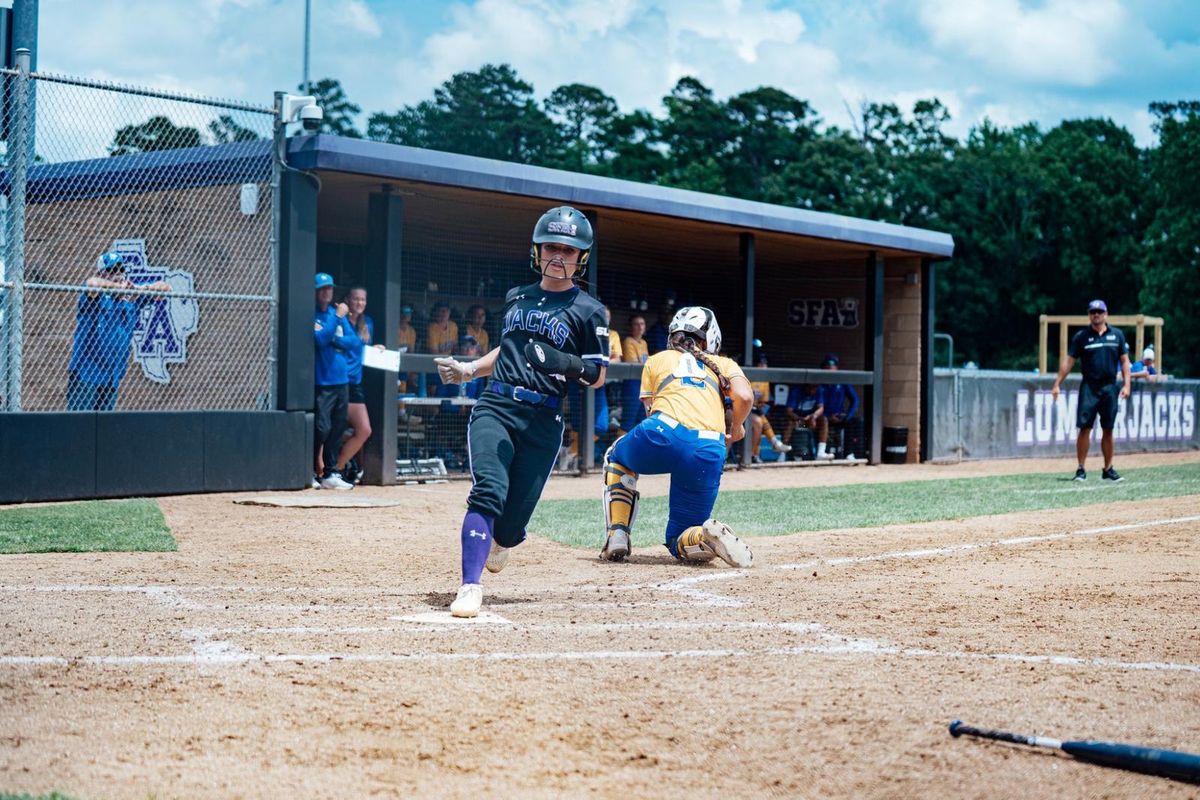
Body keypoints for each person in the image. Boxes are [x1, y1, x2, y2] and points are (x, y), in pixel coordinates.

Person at [434, 206, 609, 618]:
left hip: (543, 419)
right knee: (488, 491)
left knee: (510, 529)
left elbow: (598, 375)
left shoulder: (590, 310)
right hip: (496, 406)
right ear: (537, 250)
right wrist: (469, 370)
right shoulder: (517, 296)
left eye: (568, 250)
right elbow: (508, 348)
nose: (558, 256)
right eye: (551, 247)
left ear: (581, 257)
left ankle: (505, 538)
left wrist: (563, 362)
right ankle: (469, 586)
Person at [599, 306, 754, 567]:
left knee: (617, 456)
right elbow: (745, 397)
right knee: (679, 538)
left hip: (663, 430)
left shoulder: (657, 359)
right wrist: (737, 427)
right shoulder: (725, 364)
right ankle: (704, 537)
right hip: (709, 446)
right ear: (711, 338)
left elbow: (651, 412)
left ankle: (618, 533)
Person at [66, 250, 171, 410]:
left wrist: (140, 289)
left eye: (121, 269)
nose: (118, 273)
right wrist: (116, 288)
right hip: (87, 373)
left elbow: (166, 288)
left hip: (112, 375)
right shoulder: (97, 296)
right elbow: (92, 284)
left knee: (105, 424)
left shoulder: (131, 297)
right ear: (101, 273)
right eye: (112, 270)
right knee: (80, 422)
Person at [1051, 299, 1131, 482]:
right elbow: (1069, 361)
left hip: (1110, 386)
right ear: (1089, 315)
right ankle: (1081, 468)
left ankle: (1108, 469)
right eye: (1093, 312)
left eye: (1099, 312)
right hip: (1089, 387)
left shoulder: (1117, 335)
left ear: (1106, 314)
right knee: (1085, 427)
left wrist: (1127, 385)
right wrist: (1057, 383)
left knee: (1108, 428)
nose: (1096, 315)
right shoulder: (1081, 337)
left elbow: (1125, 361)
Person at [333, 286, 383, 484]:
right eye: (356, 299)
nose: (360, 303)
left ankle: (336, 469)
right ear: (348, 300)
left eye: (363, 299)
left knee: (364, 430)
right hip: (337, 380)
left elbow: (362, 349)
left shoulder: (367, 322)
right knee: (331, 429)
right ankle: (324, 471)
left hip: (356, 383)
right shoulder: (340, 319)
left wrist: (374, 348)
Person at [313, 272, 355, 490]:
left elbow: (353, 342)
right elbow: (320, 340)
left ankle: (331, 473)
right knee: (321, 428)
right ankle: (311, 471)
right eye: (322, 289)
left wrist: (335, 339)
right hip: (323, 381)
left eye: (329, 288)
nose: (327, 292)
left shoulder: (333, 314)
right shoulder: (319, 315)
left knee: (338, 428)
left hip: (341, 380)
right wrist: (337, 319)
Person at [747, 351, 791, 463]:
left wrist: (760, 405)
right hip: (744, 409)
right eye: (760, 364)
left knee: (760, 421)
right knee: (759, 421)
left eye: (765, 364)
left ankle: (756, 453)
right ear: (756, 365)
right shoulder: (749, 377)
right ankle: (772, 443)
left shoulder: (765, 381)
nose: (763, 366)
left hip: (755, 411)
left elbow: (764, 402)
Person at [819, 353, 859, 460]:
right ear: (823, 368)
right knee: (818, 422)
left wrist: (847, 416)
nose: (830, 368)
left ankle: (849, 454)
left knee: (852, 421)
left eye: (833, 366)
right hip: (822, 418)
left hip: (838, 417)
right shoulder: (819, 383)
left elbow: (855, 399)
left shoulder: (842, 381)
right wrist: (827, 416)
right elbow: (816, 404)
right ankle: (821, 453)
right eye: (827, 366)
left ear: (837, 368)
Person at [620, 314, 649, 432]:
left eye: (642, 324)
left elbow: (646, 363)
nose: (640, 327)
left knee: (642, 418)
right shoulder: (628, 341)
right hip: (632, 383)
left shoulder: (644, 342)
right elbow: (633, 362)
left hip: (643, 383)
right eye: (636, 324)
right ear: (630, 327)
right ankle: (620, 443)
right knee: (629, 418)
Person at [788, 383, 827, 459]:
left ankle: (821, 452)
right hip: (797, 420)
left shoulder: (818, 390)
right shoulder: (796, 391)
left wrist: (814, 416)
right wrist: (799, 418)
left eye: (814, 388)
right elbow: (789, 411)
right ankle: (782, 454)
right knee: (789, 423)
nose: (812, 391)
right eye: (810, 388)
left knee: (824, 420)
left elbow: (821, 408)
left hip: (810, 420)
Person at [396, 304, 419, 395]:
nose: (405, 316)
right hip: (394, 363)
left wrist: (411, 371)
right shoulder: (394, 328)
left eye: (408, 313)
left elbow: (411, 352)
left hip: (405, 364)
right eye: (403, 313)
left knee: (415, 379)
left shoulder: (411, 331)